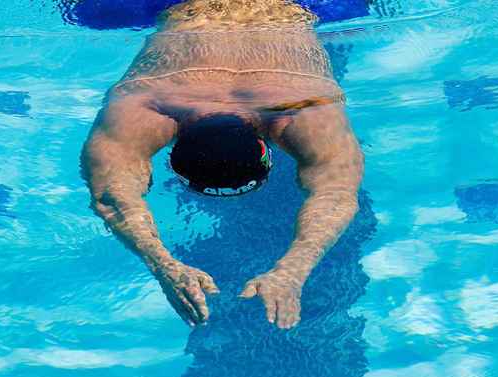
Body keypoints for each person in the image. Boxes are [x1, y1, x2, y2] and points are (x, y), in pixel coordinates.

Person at [80, 0, 364, 329]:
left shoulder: (305, 109)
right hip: (186, 10)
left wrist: (292, 272)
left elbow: (338, 192)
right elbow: (112, 194)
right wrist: (163, 266)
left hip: (292, 9)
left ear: (264, 148)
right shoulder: (146, 105)